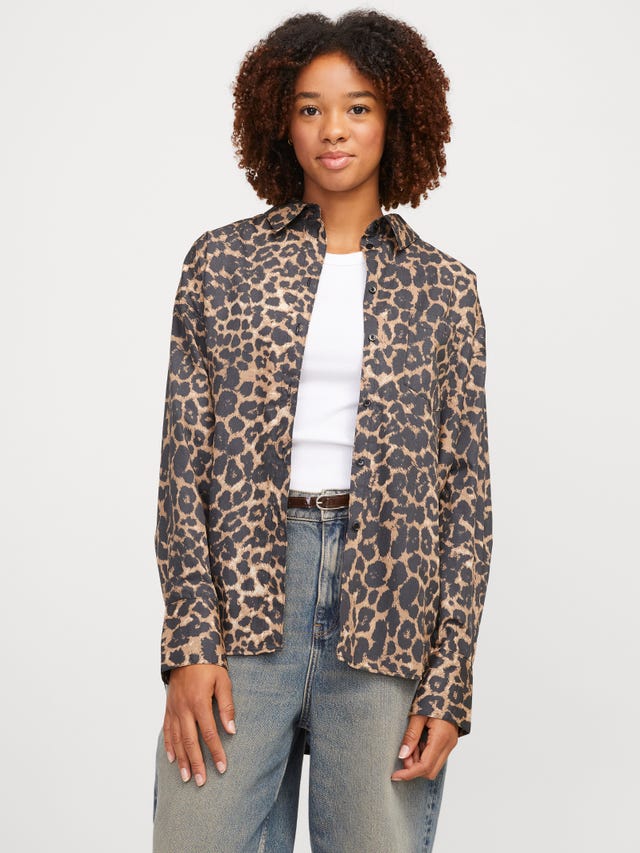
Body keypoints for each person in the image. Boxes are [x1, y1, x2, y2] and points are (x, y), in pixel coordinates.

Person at [152, 9, 493, 853]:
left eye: (357, 107)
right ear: (281, 120)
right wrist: (191, 639)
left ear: (395, 120)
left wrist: (449, 681)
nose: (332, 129)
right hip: (245, 598)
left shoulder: (445, 289)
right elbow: (182, 464)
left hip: (389, 604)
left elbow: (466, 497)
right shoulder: (220, 264)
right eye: (310, 108)